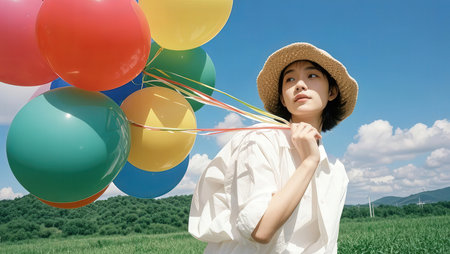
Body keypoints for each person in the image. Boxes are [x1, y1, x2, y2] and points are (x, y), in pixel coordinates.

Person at [188, 42, 358, 253]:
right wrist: (309, 162)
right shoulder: (260, 140)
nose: (300, 85)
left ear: (332, 91)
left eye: (312, 76)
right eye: (290, 79)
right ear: (282, 100)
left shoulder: (336, 170)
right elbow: (260, 230)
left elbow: (327, 245)